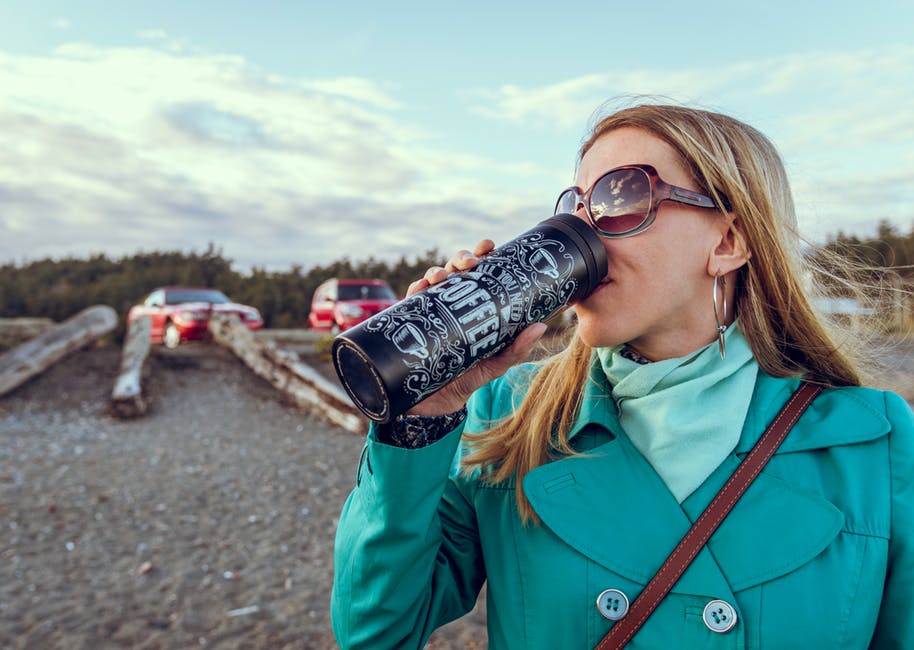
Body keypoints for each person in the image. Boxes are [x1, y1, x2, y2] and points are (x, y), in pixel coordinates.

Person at [330, 103, 914, 649]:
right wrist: (427, 415)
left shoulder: (873, 441)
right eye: (577, 205)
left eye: (623, 196)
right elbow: (377, 628)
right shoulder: (510, 415)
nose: (583, 232)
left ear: (729, 241)